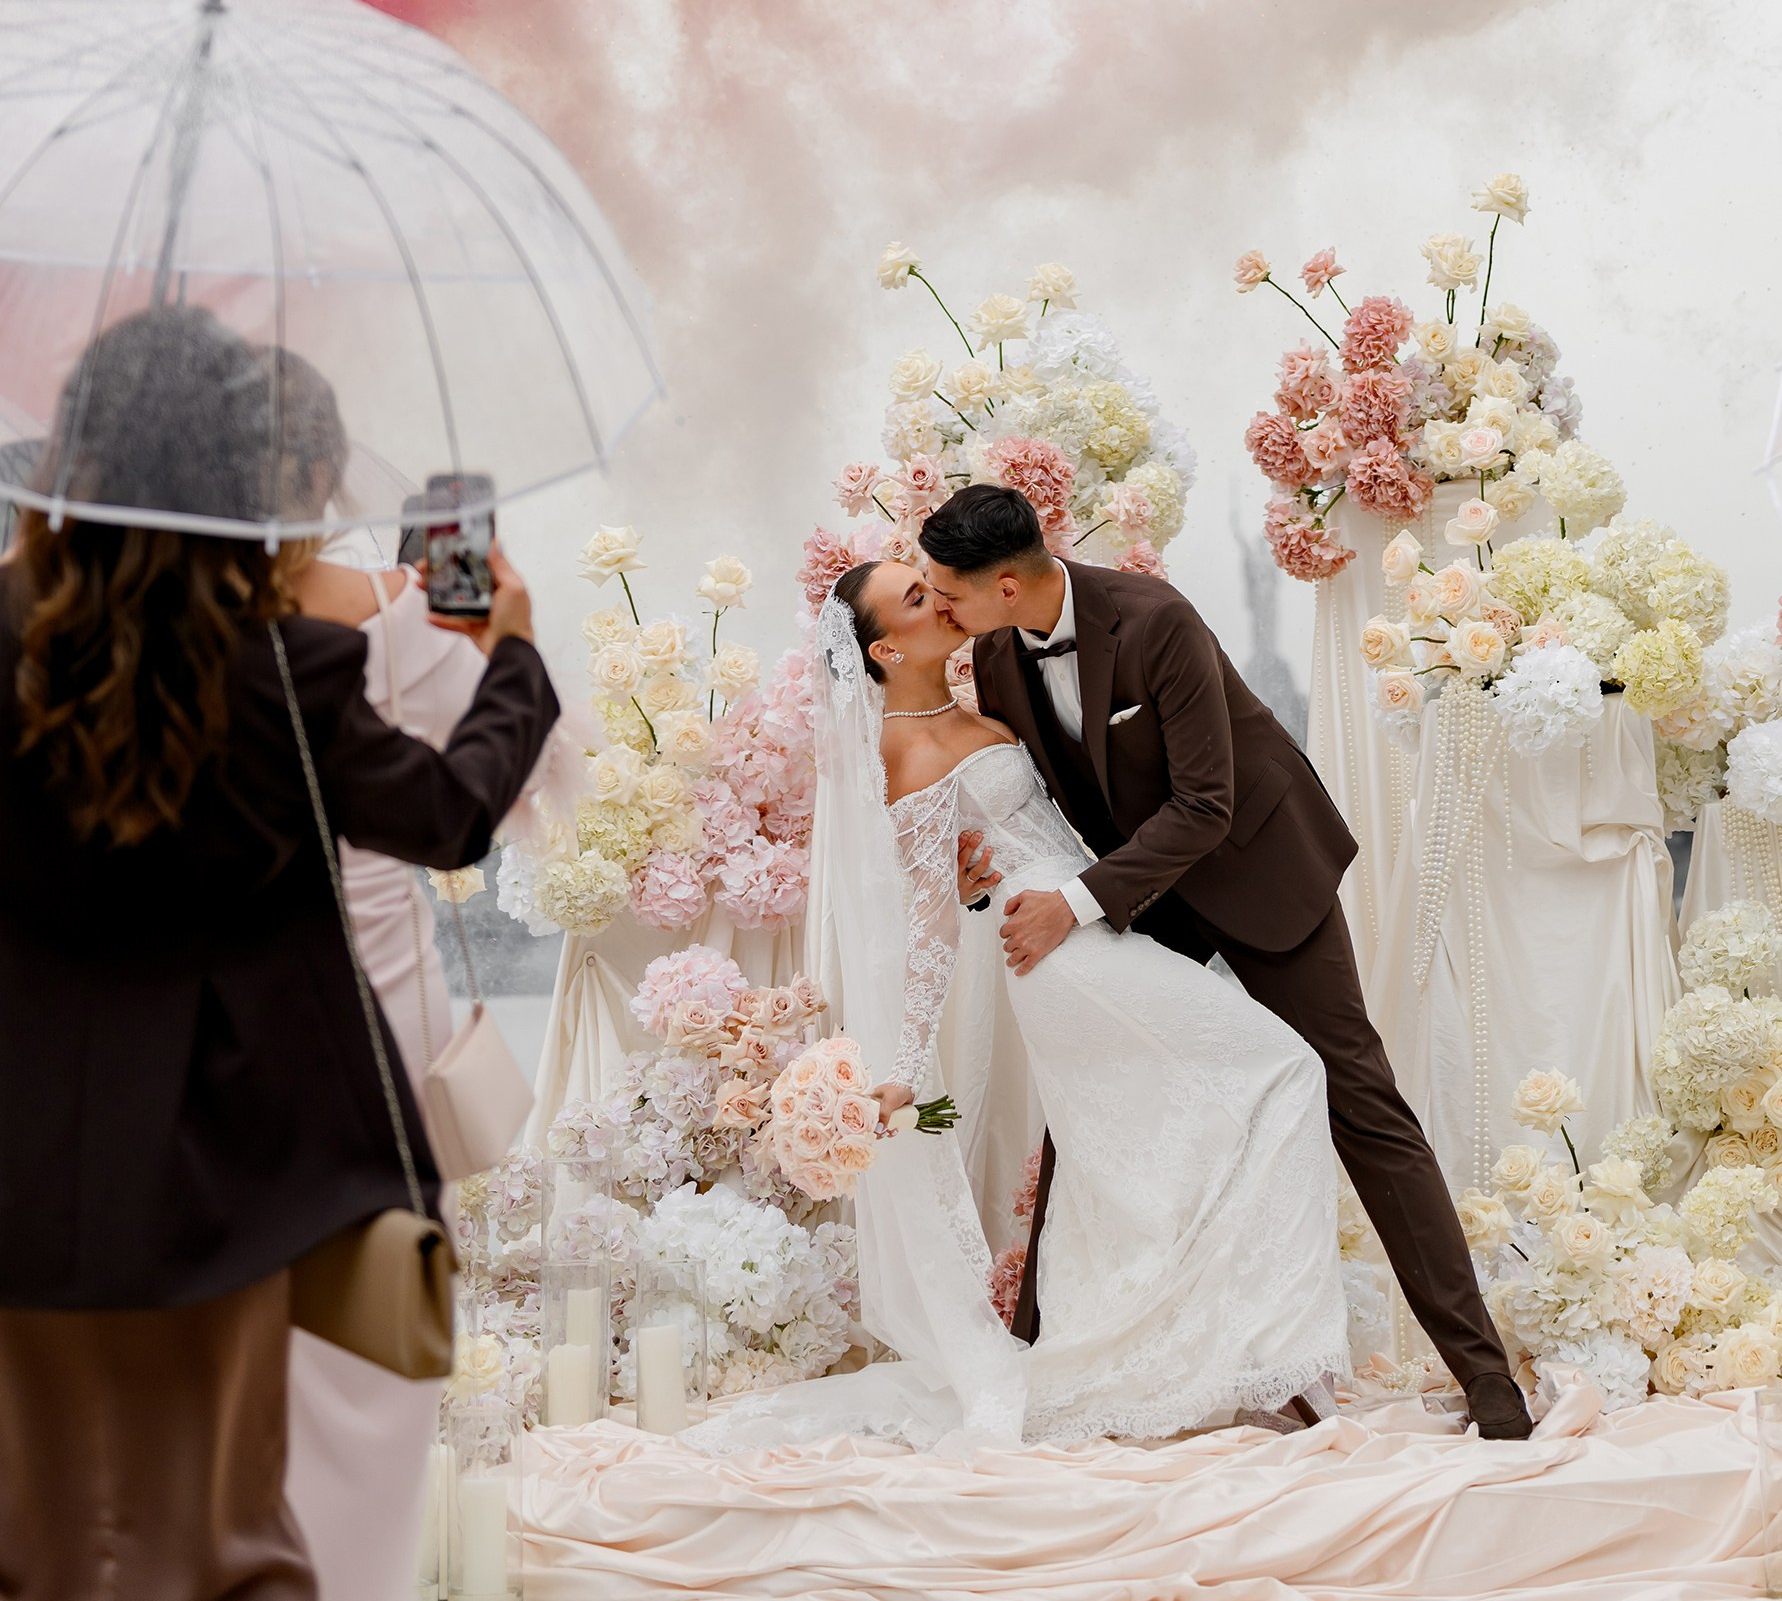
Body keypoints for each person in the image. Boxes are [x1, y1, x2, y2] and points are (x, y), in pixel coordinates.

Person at [0, 305, 560, 1601]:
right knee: (222, 1525)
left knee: (35, 1523)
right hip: (232, 1169)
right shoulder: (282, 668)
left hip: (24, 1147)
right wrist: (512, 656)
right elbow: (447, 816)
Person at [916, 483, 1532, 1439]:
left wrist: (1074, 907)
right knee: (1089, 1109)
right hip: (1143, 894)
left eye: (945, 593)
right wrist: (986, 869)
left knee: (1360, 1103)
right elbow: (1042, 803)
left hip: (1257, 873)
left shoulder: (1155, 619)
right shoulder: (994, 659)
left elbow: (1206, 802)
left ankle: (1491, 1385)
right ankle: (1033, 1371)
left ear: (1004, 583)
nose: (937, 609)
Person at [708, 553, 1348, 1453]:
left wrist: (985, 882)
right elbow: (928, 926)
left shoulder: (975, 700)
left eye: (929, 581)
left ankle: (1223, 1358)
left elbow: (991, 853)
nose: (939, 598)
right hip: (1062, 959)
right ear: (887, 650)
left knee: (1133, 1161)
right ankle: (1258, 1353)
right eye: (917, 598)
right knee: (1281, 1071)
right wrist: (897, 1067)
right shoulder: (904, 748)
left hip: (1086, 928)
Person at [283, 549, 575, 1601]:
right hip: (363, 970)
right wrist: (514, 647)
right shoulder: (370, 619)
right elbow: (466, 804)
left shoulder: (61, 615)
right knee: (382, 1262)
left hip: (187, 1011)